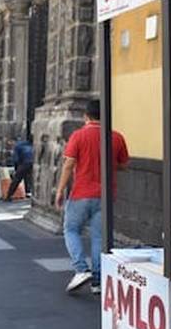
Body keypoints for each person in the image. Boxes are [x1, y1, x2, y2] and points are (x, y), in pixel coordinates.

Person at [54, 100, 129, 295]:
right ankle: (97, 280)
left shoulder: (78, 136)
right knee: (99, 237)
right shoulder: (117, 137)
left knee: (70, 229)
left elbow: (69, 164)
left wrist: (60, 190)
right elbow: (123, 165)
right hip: (106, 195)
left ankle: (81, 269)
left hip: (81, 193)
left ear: (86, 116)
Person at [3, 136, 34, 202]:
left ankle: (9, 196)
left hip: (24, 163)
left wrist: (16, 168)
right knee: (31, 179)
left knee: (16, 180)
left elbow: (16, 158)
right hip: (31, 163)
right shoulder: (32, 145)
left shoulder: (19, 145)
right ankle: (29, 192)